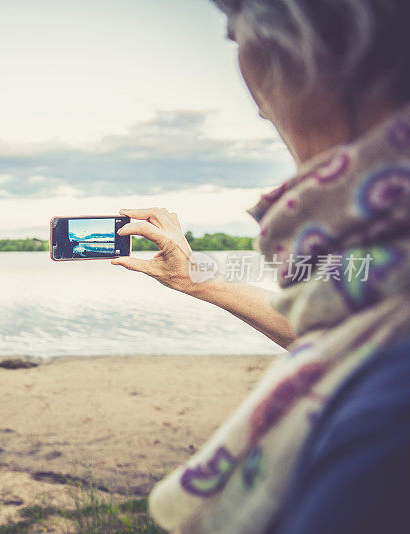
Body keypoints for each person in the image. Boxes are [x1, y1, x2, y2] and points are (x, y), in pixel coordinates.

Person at [110, 1, 410, 532]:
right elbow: (346, 334)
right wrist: (196, 278)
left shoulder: (387, 410)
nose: (257, 106)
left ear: (322, 53)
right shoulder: (385, 275)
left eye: (235, 38)